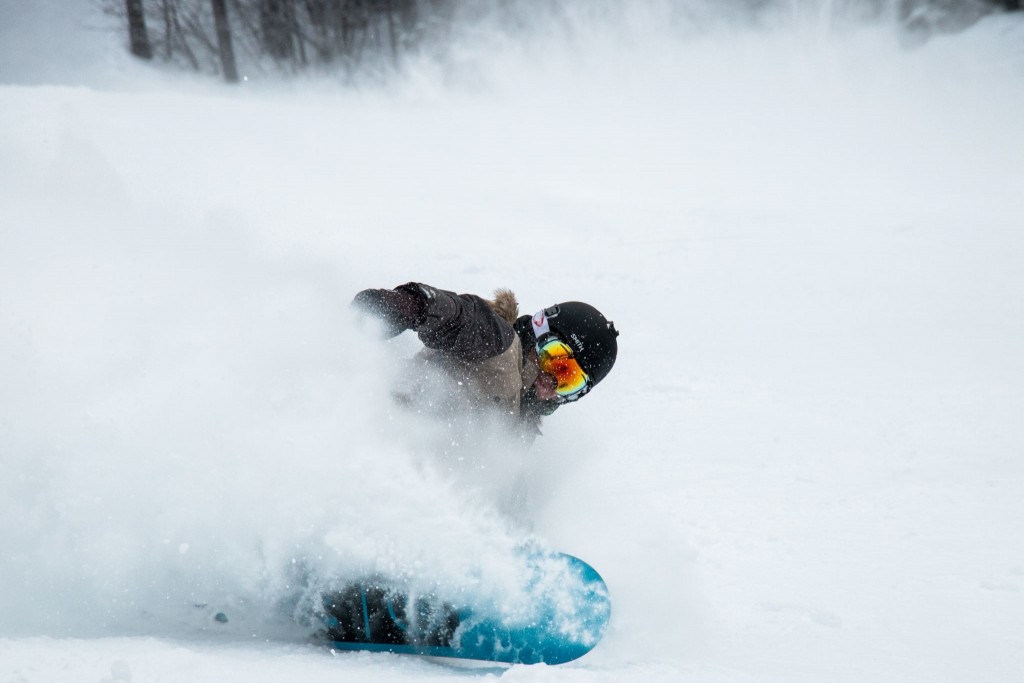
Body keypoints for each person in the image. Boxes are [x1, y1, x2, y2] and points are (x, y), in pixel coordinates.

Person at [352, 282, 618, 442]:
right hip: (384, 431)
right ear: (539, 331)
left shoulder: (521, 425)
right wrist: (408, 306)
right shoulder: (499, 344)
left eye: (569, 382)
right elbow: (460, 316)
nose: (551, 384)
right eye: (556, 361)